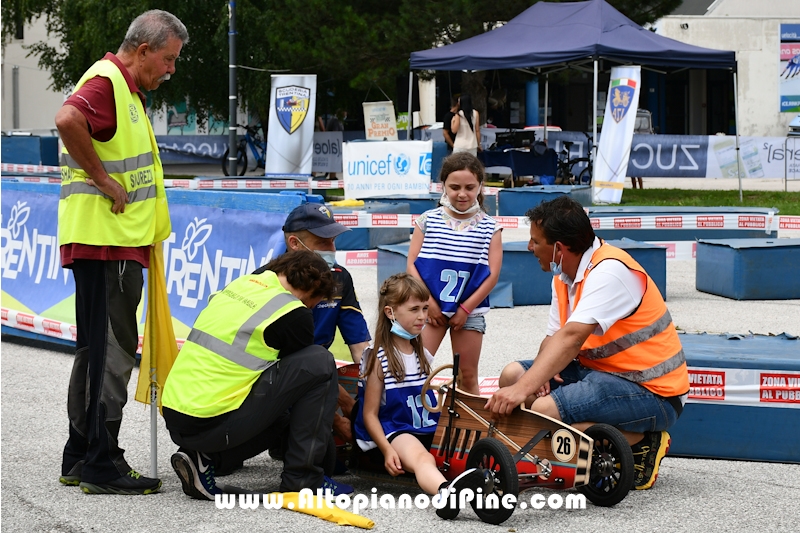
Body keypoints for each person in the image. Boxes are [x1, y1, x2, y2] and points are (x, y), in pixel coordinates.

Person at [55, 9, 188, 495]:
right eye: (169, 59)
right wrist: (103, 179)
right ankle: (102, 462)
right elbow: (67, 119)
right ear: (144, 49)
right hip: (108, 242)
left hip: (109, 241)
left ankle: (80, 453)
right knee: (112, 352)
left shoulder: (120, 87)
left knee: (96, 349)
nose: (171, 70)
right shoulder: (109, 81)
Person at [486, 196, 690, 491]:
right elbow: (554, 337)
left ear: (559, 247)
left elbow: (571, 339)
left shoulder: (609, 272)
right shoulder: (564, 274)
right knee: (511, 375)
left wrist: (524, 390)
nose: (530, 248)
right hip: (602, 373)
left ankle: (643, 439)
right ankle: (547, 451)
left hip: (653, 392)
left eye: (535, 241)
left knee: (543, 409)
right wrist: (531, 380)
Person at [162, 250, 350, 500]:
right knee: (320, 361)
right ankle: (304, 482)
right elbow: (309, 379)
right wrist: (344, 419)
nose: (310, 309)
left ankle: (207, 458)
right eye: (312, 304)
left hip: (177, 415)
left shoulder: (242, 285)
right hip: (213, 421)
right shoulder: (292, 312)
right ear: (313, 287)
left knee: (282, 419)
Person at [352, 273, 486, 520]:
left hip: (424, 424)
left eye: (425, 308)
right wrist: (386, 450)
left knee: (470, 440)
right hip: (395, 429)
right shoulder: (378, 358)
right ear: (391, 313)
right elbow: (369, 414)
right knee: (423, 458)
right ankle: (446, 494)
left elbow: (425, 400)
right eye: (414, 309)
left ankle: (484, 482)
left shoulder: (421, 352)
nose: (423, 316)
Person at [273, 202, 371, 442]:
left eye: (333, 241)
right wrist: (342, 416)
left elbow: (361, 347)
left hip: (315, 373)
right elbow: (289, 362)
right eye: (323, 242)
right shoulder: (269, 281)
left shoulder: (340, 277)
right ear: (294, 244)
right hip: (272, 378)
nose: (332, 249)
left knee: (331, 462)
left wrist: (375, 392)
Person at [407, 152, 503, 395]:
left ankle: (472, 431)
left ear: (480, 186)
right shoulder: (427, 220)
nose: (462, 193)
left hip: (469, 312)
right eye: (455, 187)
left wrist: (465, 309)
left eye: (470, 187)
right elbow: (411, 264)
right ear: (443, 186)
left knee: (467, 376)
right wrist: (429, 303)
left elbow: (492, 275)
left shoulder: (491, 227)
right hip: (430, 309)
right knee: (415, 370)